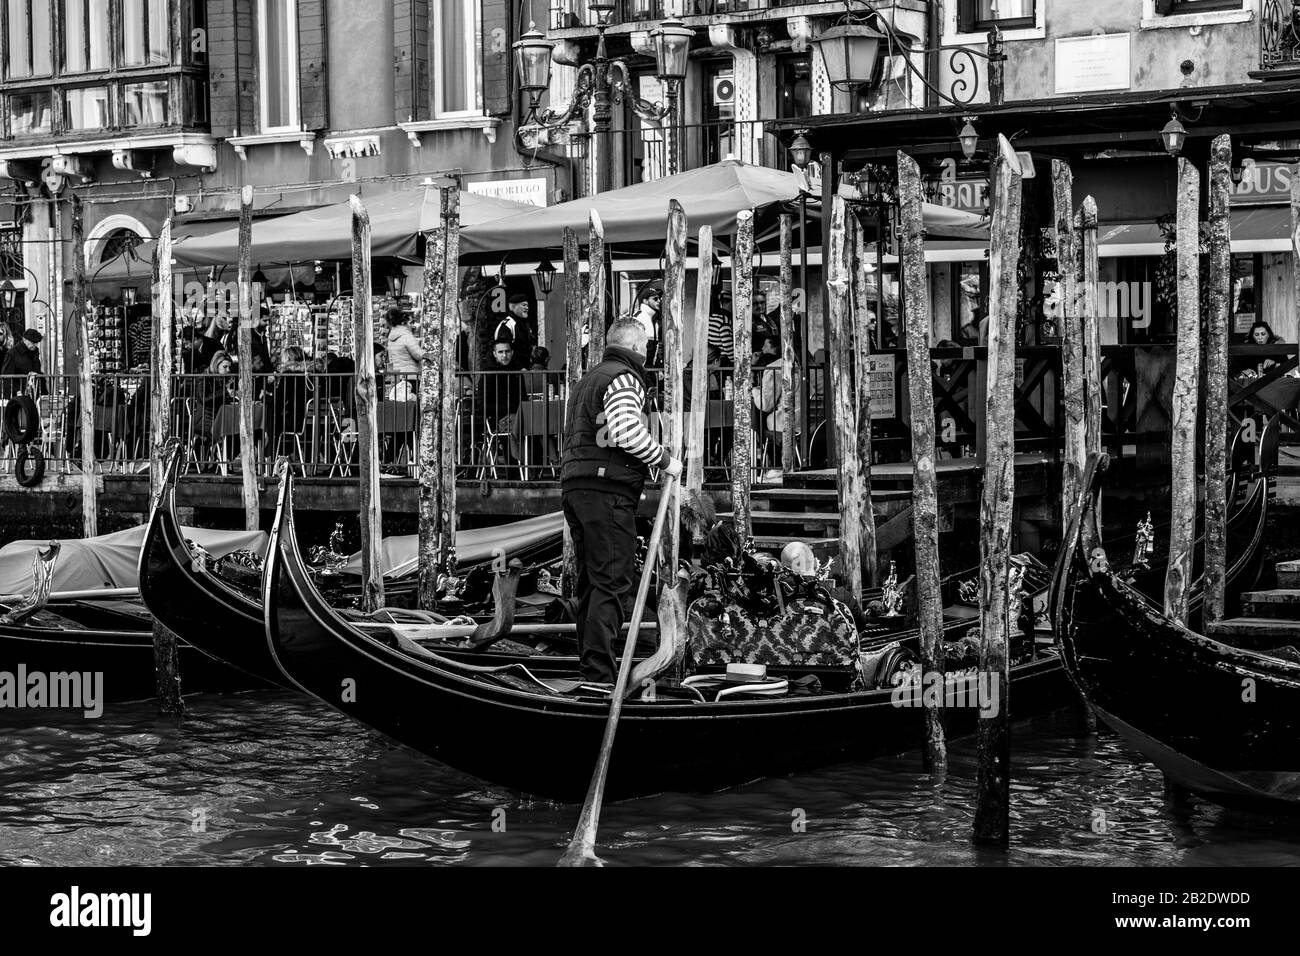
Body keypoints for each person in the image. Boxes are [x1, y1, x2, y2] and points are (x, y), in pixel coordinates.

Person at [561, 319, 683, 684]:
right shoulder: (625, 378)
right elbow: (625, 429)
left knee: (591, 583)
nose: (647, 354)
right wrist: (664, 460)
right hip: (607, 491)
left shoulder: (586, 381)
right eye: (646, 346)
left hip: (577, 488)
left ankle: (591, 667)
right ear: (637, 346)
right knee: (611, 583)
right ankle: (599, 676)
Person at [384, 305, 422, 401]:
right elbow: (418, 355)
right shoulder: (407, 336)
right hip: (411, 375)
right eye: (410, 322)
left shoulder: (390, 339)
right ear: (403, 322)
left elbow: (391, 359)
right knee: (412, 402)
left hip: (398, 376)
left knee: (402, 404)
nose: (412, 325)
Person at [493, 292, 536, 362]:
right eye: (524, 305)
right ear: (512, 307)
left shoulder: (524, 324)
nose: (527, 308)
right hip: (512, 370)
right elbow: (503, 353)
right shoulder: (507, 325)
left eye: (527, 305)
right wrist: (520, 368)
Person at [1, 328, 43, 396]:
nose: (35, 345)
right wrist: (17, 390)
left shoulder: (35, 351)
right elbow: (6, 375)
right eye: (33, 342)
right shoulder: (12, 353)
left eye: (37, 343)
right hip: (18, 393)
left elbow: (37, 368)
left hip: (33, 390)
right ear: (24, 340)